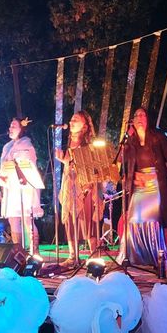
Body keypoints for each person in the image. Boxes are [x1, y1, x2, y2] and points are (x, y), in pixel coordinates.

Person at [119, 107, 167, 267]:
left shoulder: (157, 137)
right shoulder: (129, 141)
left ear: (148, 119)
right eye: (136, 115)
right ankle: (135, 257)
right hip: (139, 186)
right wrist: (132, 178)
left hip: (156, 184)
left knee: (152, 220)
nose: (139, 118)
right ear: (132, 121)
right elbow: (125, 168)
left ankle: (156, 256)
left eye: (143, 115)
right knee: (134, 219)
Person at [57, 111, 103, 268]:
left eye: (75, 119)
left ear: (84, 126)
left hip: (85, 189)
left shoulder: (88, 146)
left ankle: (94, 257)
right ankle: (72, 256)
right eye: (71, 119)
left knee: (88, 223)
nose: (71, 122)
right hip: (70, 188)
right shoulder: (68, 145)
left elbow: (91, 170)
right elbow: (69, 168)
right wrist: (64, 161)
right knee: (70, 221)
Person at [0, 117, 42, 254]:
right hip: (11, 188)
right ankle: (18, 253)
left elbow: (29, 165)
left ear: (21, 129)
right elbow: (2, 168)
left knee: (28, 219)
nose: (10, 129)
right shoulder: (6, 147)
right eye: (10, 126)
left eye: (14, 126)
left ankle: (35, 253)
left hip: (24, 187)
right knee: (13, 219)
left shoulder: (27, 145)